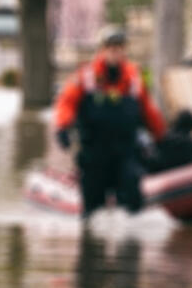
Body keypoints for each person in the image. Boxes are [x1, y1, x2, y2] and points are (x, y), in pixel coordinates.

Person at [54, 27, 166, 217]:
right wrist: (63, 127)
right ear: (102, 50)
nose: (115, 52)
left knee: (132, 200)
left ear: (124, 50)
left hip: (125, 151)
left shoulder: (133, 79)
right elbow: (66, 102)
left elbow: (148, 111)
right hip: (95, 152)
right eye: (111, 47)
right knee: (92, 209)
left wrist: (162, 137)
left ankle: (131, 242)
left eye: (119, 47)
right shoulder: (86, 77)